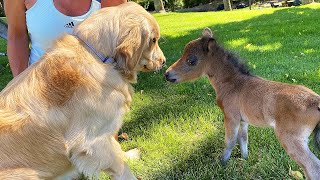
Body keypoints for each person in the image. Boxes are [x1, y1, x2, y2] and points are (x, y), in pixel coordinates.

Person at [4, 0, 126, 77]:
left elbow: (118, 39)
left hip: (94, 91)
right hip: (39, 91)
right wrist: (21, 83)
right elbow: (17, 36)